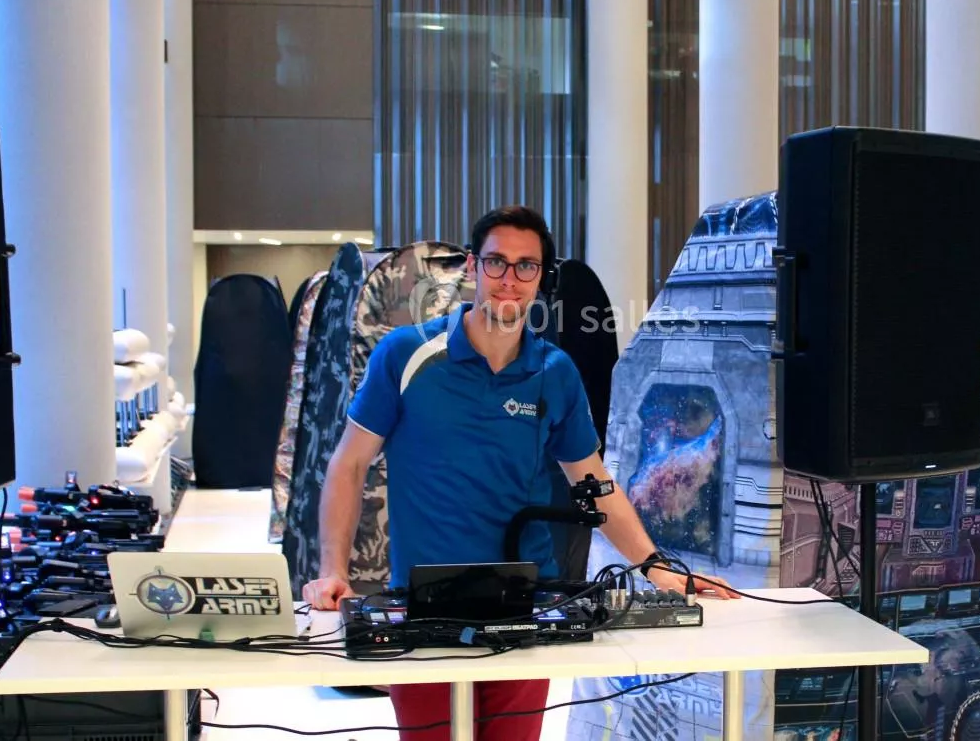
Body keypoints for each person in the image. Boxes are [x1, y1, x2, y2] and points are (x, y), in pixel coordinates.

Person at [302, 205, 737, 740]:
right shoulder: (406, 354)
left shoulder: (554, 371)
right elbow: (348, 465)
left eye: (525, 266)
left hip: (527, 603)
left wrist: (655, 567)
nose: (509, 279)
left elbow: (594, 484)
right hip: (423, 604)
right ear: (473, 266)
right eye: (497, 262)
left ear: (541, 278)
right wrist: (332, 569)